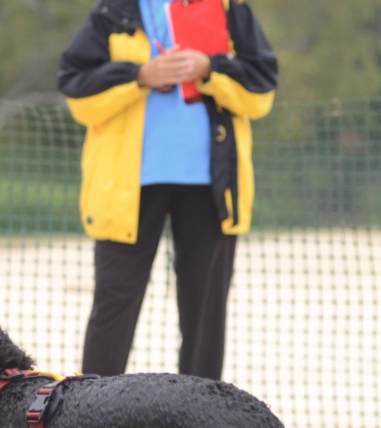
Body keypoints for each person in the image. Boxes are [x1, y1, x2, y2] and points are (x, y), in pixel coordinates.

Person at [58, 0, 278, 379]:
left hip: (211, 187)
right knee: (114, 306)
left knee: (205, 315)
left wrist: (209, 67)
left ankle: (200, 420)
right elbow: (77, 93)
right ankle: (89, 419)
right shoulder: (114, 11)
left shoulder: (229, 8)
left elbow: (261, 93)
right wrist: (140, 75)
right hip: (127, 189)